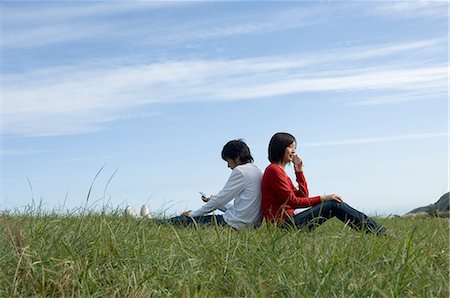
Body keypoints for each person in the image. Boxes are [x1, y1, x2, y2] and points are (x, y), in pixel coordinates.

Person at [261, 132, 386, 234]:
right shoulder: (274, 170)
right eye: (290, 147)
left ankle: (377, 232)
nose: (293, 151)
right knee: (333, 205)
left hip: (288, 223)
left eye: (295, 148)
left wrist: (299, 171)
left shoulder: (280, 172)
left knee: (332, 204)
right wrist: (323, 198)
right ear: (280, 148)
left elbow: (303, 196)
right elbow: (293, 202)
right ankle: (380, 233)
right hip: (282, 227)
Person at [166, 139, 263, 230]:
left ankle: (154, 223)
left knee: (179, 221)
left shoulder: (241, 171)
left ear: (237, 157)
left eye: (228, 160)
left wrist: (192, 214)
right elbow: (242, 208)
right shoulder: (257, 171)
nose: (228, 165)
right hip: (251, 224)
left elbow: (221, 199)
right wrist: (213, 201)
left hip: (234, 224)